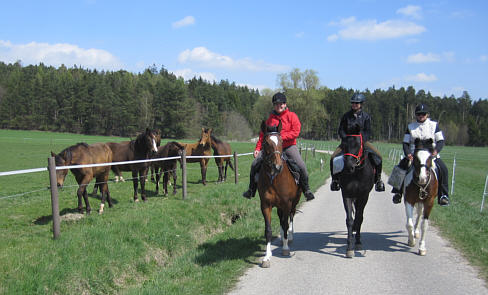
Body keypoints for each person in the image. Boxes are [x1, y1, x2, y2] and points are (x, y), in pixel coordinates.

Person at [242, 92, 315, 201]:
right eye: (276, 104)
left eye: (281, 104)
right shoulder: (270, 120)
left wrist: (280, 138)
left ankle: (306, 190)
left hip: (288, 146)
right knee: (254, 164)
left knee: (301, 166)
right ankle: (251, 190)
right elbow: (262, 136)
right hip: (272, 149)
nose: (279, 106)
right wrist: (257, 149)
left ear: (285, 104)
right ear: (273, 105)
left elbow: (296, 131)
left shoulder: (292, 116)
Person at [391, 103, 450, 206]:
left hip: (430, 155)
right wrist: (408, 153)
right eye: (419, 114)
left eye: (423, 114)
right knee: (400, 167)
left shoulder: (434, 125)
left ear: (427, 115)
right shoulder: (410, 127)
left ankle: (443, 195)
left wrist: (436, 151)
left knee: (443, 169)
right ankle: (397, 192)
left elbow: (440, 141)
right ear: (416, 115)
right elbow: (405, 143)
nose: (421, 116)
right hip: (415, 155)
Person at [329, 93, 385, 192]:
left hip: (362, 142)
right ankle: (335, 180)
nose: (354, 105)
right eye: (353, 103)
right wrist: (345, 139)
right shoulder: (346, 116)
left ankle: (378, 180)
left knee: (379, 156)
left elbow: (368, 131)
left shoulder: (366, 117)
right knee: (333, 157)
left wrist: (361, 140)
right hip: (347, 143)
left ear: (361, 104)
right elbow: (341, 130)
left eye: (357, 103)